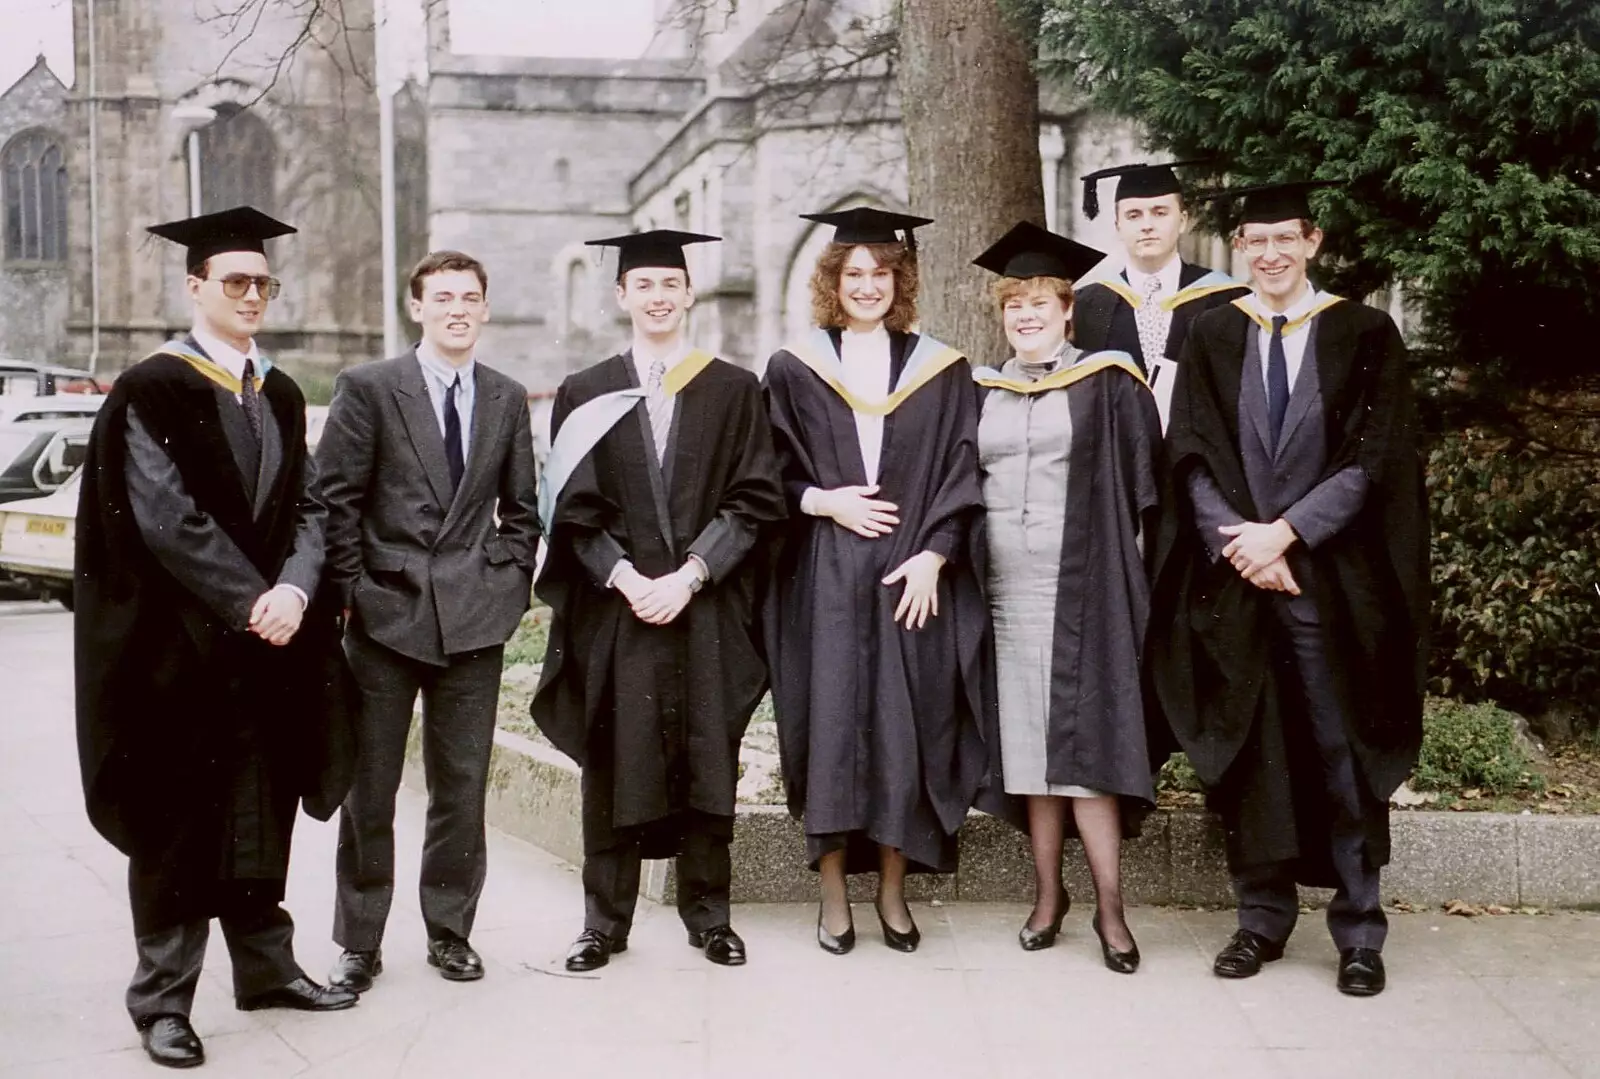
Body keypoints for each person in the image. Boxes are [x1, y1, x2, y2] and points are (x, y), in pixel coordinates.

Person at [75, 206, 358, 1070]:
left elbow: (310, 504)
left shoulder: (274, 390)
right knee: (177, 823)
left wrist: (297, 588)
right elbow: (167, 520)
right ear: (194, 284)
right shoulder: (151, 387)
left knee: (261, 812)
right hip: (180, 654)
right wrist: (254, 599)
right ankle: (162, 999)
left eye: (263, 283)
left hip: (268, 649)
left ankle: (267, 971)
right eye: (234, 281)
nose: (251, 296)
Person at [1150, 181, 1428, 997]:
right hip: (1238, 579)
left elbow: (1376, 460)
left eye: (1284, 238)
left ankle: (1359, 929)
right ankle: (1260, 918)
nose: (1268, 253)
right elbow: (1189, 451)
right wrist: (1238, 541)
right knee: (1250, 749)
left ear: (1312, 241)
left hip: (1330, 581)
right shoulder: (1210, 333)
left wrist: (1288, 532)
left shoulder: (1365, 332)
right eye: (1253, 239)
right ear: (1238, 247)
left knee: (1341, 747)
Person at [533, 230, 786, 972]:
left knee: (710, 752)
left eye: (670, 284)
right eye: (643, 285)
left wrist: (692, 574)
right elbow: (572, 508)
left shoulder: (734, 388)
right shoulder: (586, 389)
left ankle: (710, 915)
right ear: (622, 297)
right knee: (613, 757)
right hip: (621, 609)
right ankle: (602, 922)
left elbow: (755, 498)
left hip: (703, 606)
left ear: (688, 293)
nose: (658, 297)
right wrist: (625, 576)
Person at [763, 207, 988, 955]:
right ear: (832, 281)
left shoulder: (942, 368)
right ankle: (833, 896)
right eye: (852, 273)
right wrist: (822, 499)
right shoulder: (794, 367)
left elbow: (963, 473)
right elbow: (767, 474)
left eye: (881, 273)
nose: (867, 286)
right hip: (824, 576)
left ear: (901, 279)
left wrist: (936, 553)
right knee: (828, 728)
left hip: (909, 576)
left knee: (906, 730)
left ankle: (892, 891)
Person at [316, 251, 540, 992]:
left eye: (469, 298)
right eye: (442, 297)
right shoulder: (371, 388)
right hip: (386, 616)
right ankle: (359, 940)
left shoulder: (505, 398)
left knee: (462, 786)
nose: (456, 310)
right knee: (369, 787)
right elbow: (334, 500)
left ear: (483, 309)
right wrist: (355, 590)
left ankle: (450, 931)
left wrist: (507, 583)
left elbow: (523, 511)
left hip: (475, 622)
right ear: (418, 306)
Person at [968, 222, 1163, 973]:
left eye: (1040, 301)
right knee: (1027, 751)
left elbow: (1148, 492)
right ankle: (1048, 897)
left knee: (1089, 753)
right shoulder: (980, 388)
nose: (1026, 314)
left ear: (1068, 310)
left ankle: (1111, 909)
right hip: (1005, 592)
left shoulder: (1109, 382)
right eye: (1014, 302)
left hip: (1086, 591)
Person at [1073, 161, 1248, 426]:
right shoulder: (1087, 305)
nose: (1147, 225)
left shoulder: (1225, 298)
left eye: (1159, 212)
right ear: (1118, 225)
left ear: (1183, 220)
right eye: (1134, 215)